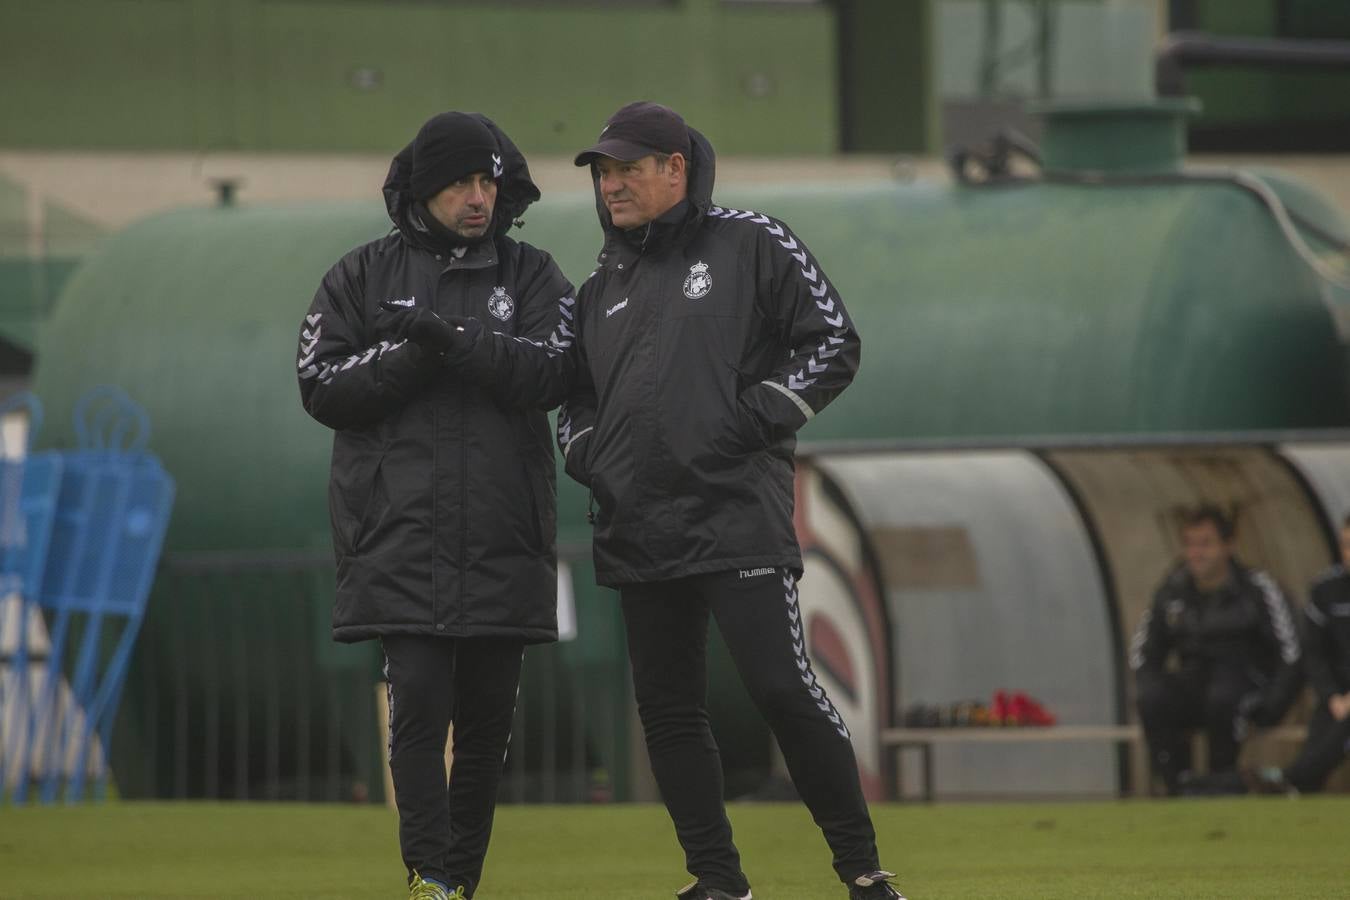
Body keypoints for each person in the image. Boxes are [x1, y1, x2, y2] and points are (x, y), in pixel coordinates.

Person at [555, 101, 903, 900]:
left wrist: (754, 419)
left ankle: (864, 872)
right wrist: (588, 457)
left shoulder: (751, 240)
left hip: (734, 511)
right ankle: (719, 883)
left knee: (782, 688)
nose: (612, 185)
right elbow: (572, 399)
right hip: (637, 525)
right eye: (603, 172)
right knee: (669, 713)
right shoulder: (598, 284)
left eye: (628, 168)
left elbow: (833, 342)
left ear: (675, 168)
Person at [296, 111, 574, 900]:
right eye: (460, 182)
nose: (477, 197)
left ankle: (459, 883)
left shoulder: (532, 275)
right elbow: (321, 387)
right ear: (422, 190)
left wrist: (454, 341)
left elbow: (555, 371)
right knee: (417, 704)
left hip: (503, 533)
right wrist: (414, 352)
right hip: (398, 535)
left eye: (488, 181)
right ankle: (429, 874)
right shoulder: (359, 276)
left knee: (486, 726)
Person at [1130, 504, 1303, 795]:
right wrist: (1149, 685)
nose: (1196, 553)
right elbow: (1143, 653)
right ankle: (1177, 786)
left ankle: (1219, 784)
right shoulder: (1172, 590)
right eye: (1190, 545)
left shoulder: (1258, 588)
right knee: (1153, 698)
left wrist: (1273, 706)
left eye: (1206, 544)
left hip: (1245, 683)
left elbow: (1291, 653)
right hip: (1195, 680)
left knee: (1223, 697)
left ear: (1228, 546)